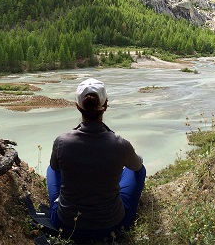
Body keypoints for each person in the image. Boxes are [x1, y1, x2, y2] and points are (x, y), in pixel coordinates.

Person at [46, 78, 146, 242]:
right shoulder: (120, 144)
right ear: (105, 105)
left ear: (78, 106)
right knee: (139, 169)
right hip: (112, 226)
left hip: (66, 224)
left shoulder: (62, 141)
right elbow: (137, 166)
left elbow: (55, 167)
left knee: (52, 169)